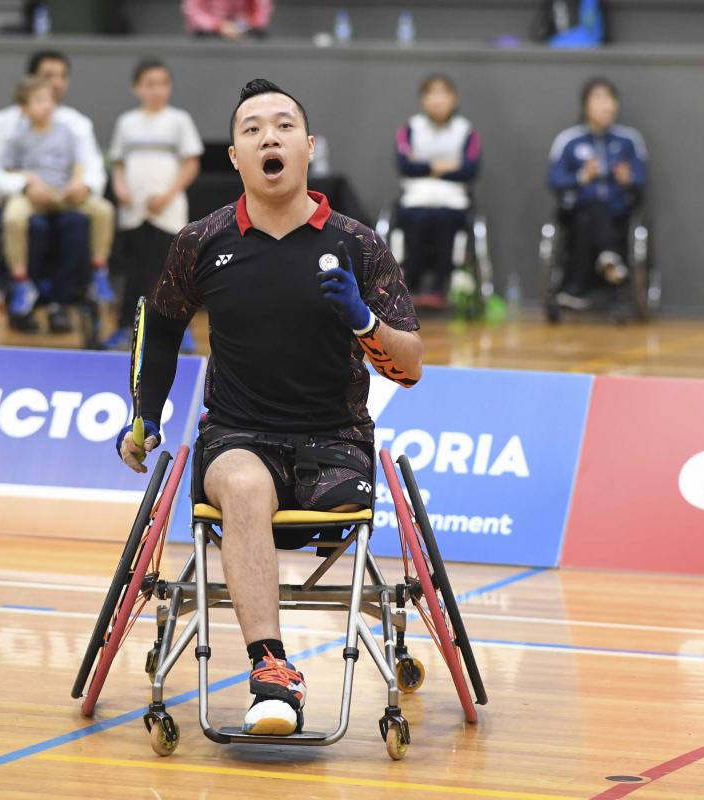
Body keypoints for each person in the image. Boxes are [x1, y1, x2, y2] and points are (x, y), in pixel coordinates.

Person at [116, 79, 422, 737]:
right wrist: (145, 413)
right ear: (235, 156)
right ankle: (271, 669)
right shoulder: (201, 241)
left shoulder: (358, 244)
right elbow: (160, 326)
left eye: (283, 126)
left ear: (308, 147)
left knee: (291, 486)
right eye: (253, 129)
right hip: (237, 435)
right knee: (245, 487)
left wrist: (364, 320)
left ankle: (274, 668)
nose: (269, 137)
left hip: (336, 442)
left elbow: (410, 365)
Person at [0, 50, 107, 332]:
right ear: (32, 80)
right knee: (28, 225)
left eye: (63, 76)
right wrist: (25, 185)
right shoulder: (6, 122)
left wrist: (83, 186)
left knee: (78, 224)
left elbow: (92, 167)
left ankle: (61, 302)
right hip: (27, 202)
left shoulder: (76, 123)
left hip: (64, 200)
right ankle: (21, 294)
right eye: (49, 76)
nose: (57, 83)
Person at [106, 58, 202, 351]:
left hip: (168, 210)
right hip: (134, 211)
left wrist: (168, 194)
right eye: (150, 84)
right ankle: (126, 327)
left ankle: (177, 329)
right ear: (137, 88)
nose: (157, 90)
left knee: (171, 270)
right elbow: (118, 163)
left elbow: (191, 163)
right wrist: (120, 186)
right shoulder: (127, 123)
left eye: (163, 83)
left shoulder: (179, 120)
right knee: (135, 271)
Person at [1, 77, 114, 318]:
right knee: (12, 218)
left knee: (103, 211)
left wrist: (77, 183)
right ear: (23, 107)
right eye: (39, 100)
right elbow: (9, 168)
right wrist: (30, 182)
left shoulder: (66, 131)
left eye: (49, 100)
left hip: (64, 193)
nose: (46, 105)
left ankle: (98, 271)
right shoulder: (17, 136)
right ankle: (21, 282)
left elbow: (79, 163)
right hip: (35, 196)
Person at [547, 77, 647, 309]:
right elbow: (554, 179)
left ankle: (580, 285)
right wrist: (582, 176)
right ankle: (608, 260)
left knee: (602, 210)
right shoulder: (568, 140)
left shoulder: (629, 140)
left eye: (610, 99)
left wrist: (628, 179)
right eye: (598, 98)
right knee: (590, 212)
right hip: (578, 213)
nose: (606, 106)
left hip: (618, 213)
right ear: (585, 105)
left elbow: (641, 178)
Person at [394, 74, 481, 309]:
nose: (438, 100)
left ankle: (440, 286)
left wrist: (424, 164)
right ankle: (410, 283)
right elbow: (405, 165)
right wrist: (443, 165)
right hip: (416, 198)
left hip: (453, 200)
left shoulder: (467, 131)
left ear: (454, 98)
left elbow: (469, 169)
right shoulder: (410, 129)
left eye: (443, 94)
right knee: (414, 219)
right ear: (423, 100)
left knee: (445, 220)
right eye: (431, 94)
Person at [183, 0, 272, 39]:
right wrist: (219, 26)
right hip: (209, 34)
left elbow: (262, 14)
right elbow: (193, 12)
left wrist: (240, 27)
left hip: (244, 32)